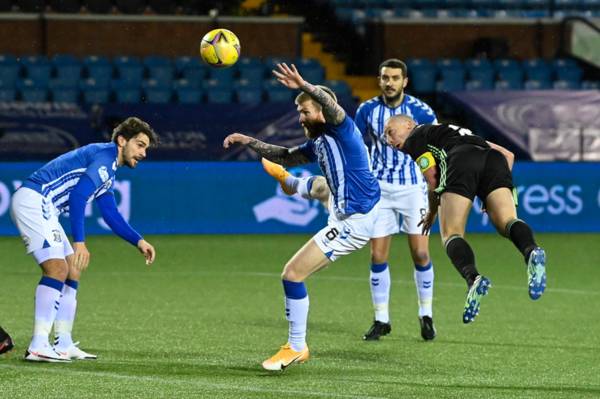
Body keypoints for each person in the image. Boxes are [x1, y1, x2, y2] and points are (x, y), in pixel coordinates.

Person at [260, 59, 439, 341]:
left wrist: (434, 184)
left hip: (412, 187)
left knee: (420, 253)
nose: (389, 82)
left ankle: (425, 314)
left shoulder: (421, 111)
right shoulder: (367, 110)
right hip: (377, 187)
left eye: (394, 78)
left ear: (405, 81)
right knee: (378, 254)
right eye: (384, 77)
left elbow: (434, 146)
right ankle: (382, 319)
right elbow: (350, 141)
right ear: (379, 80)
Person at [223, 63, 380, 371]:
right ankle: (291, 182)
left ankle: (296, 346)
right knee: (322, 186)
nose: (300, 117)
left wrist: (304, 84)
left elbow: (332, 106)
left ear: (322, 110)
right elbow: (286, 154)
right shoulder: (319, 141)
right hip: (344, 207)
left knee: (292, 274)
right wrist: (248, 141)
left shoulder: (342, 127)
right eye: (298, 112)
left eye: (305, 111)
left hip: (355, 221)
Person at [10, 117, 158, 362]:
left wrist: (138, 241)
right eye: (140, 145)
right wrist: (80, 241)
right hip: (35, 200)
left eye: (146, 148)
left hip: (44, 205)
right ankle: (38, 345)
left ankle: (64, 343)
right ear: (122, 140)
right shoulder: (105, 157)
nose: (143, 153)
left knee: (72, 270)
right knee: (57, 268)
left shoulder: (108, 169)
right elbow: (79, 197)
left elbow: (110, 213)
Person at [384, 115, 547, 323]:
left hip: (460, 160)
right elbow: (508, 154)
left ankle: (473, 278)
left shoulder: (416, 137)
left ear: (408, 124)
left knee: (451, 233)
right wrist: (487, 189)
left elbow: (433, 179)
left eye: (390, 131)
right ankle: (531, 250)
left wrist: (432, 212)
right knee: (507, 221)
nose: (389, 140)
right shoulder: (455, 130)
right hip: (493, 159)